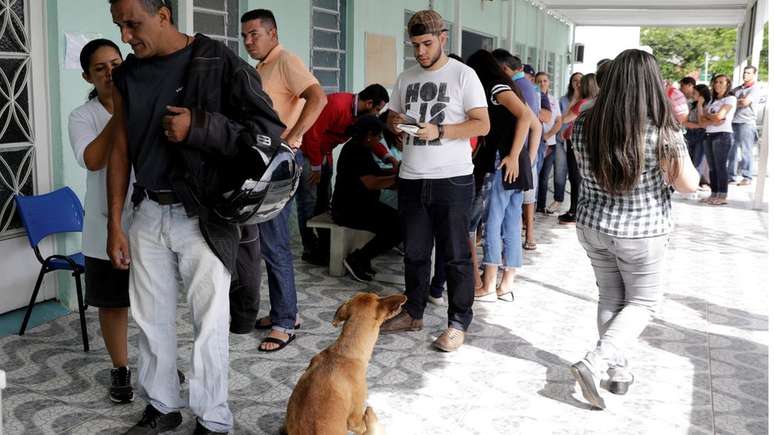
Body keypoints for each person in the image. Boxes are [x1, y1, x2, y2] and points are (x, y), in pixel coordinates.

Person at [107, 0, 285, 433]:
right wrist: (115, 221)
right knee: (150, 319)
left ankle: (213, 418)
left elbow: (269, 135)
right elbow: (120, 148)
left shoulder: (219, 62)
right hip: (147, 211)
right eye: (119, 27)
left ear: (163, 15)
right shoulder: (128, 74)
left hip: (203, 214)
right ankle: (162, 406)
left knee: (209, 323)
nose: (126, 37)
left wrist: (202, 127)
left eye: (133, 24)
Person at [570, 49, 699, 410]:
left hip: (593, 225)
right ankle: (595, 363)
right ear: (650, 84)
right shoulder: (662, 131)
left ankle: (618, 372)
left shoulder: (584, 122)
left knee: (611, 297)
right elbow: (687, 183)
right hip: (640, 232)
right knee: (642, 303)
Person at [379, 10, 490, 352]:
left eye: (427, 43)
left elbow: (482, 124)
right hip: (412, 177)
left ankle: (458, 322)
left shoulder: (463, 75)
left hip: (452, 179)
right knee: (414, 252)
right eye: (415, 45)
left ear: (443, 38)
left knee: (455, 255)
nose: (421, 51)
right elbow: (393, 114)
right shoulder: (406, 77)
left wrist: (440, 131)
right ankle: (413, 311)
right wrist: (394, 122)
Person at [241, 9, 327, 351]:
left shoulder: (285, 61)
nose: (248, 41)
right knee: (265, 242)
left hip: (280, 163)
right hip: (263, 162)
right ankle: (285, 310)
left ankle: (284, 322)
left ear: (273, 34)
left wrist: (293, 137)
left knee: (274, 242)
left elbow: (317, 97)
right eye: (245, 35)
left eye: (254, 34)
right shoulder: (262, 67)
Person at [69, 38, 134, 405]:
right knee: (113, 303)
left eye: (115, 63)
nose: (111, 72)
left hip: (147, 219)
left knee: (154, 299)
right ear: (87, 76)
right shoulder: (83, 116)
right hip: (104, 225)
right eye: (100, 68)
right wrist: (121, 114)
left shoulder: (145, 103)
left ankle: (159, 362)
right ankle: (120, 368)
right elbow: (93, 159)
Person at [466, 49, 540, 302]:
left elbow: (527, 117)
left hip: (503, 162)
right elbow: (533, 123)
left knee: (493, 223)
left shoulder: (495, 88)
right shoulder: (506, 85)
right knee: (509, 222)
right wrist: (522, 159)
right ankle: (506, 284)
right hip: (513, 163)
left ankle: (487, 284)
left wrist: (511, 155)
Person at [298, 84, 390, 266]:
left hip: (325, 153)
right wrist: (316, 168)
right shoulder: (337, 104)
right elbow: (312, 135)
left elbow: (370, 137)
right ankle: (310, 248)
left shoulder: (361, 116)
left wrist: (387, 157)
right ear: (369, 103)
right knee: (308, 202)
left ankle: (324, 247)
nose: (378, 114)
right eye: (378, 109)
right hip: (309, 152)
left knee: (325, 200)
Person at [331, 115, 400, 281]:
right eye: (378, 136)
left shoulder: (361, 148)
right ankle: (358, 259)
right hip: (349, 209)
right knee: (398, 227)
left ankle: (362, 258)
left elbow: (377, 173)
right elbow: (371, 183)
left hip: (361, 205)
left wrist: (399, 171)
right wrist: (399, 179)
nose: (379, 140)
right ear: (369, 135)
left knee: (399, 222)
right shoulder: (356, 151)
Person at [491, 49, 541, 250]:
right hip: (522, 157)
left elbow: (531, 121)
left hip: (513, 157)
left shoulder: (511, 87)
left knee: (497, 219)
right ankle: (510, 267)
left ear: (503, 68)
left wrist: (518, 157)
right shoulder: (525, 85)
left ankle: (492, 272)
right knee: (512, 216)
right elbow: (536, 124)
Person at [558, 73, 599, 224]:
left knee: (575, 177)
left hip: (576, 144)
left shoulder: (581, 102)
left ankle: (574, 211)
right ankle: (579, 210)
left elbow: (565, 118)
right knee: (583, 178)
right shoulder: (597, 102)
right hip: (589, 144)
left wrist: (575, 97)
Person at [699, 74, 737, 205]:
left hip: (722, 135)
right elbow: (702, 121)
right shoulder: (712, 101)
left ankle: (722, 195)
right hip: (709, 135)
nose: (717, 85)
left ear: (727, 85)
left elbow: (719, 116)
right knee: (712, 168)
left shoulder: (730, 99)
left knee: (720, 167)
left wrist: (711, 117)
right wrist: (713, 118)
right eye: (716, 82)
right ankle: (713, 194)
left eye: (721, 82)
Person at [729, 65, 764, 185]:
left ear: (754, 75)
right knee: (731, 150)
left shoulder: (755, 89)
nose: (745, 75)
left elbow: (745, 102)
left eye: (749, 73)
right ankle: (731, 176)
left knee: (746, 151)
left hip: (746, 123)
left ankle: (747, 177)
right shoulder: (737, 89)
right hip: (733, 122)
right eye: (745, 72)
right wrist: (736, 102)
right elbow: (728, 101)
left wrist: (734, 102)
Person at [535, 71, 563, 214]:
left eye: (545, 80)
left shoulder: (553, 100)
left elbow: (559, 121)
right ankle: (530, 205)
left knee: (544, 177)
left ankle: (540, 205)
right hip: (536, 142)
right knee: (535, 175)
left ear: (549, 83)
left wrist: (548, 135)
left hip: (550, 143)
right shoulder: (534, 98)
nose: (542, 83)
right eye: (539, 81)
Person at [684, 84, 712, 187]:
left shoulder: (707, 106)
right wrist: (695, 125)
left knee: (698, 160)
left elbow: (702, 123)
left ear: (702, 95)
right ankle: (689, 182)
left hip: (701, 134)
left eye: (695, 93)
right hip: (689, 134)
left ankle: (695, 184)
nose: (692, 94)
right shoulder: (691, 104)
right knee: (689, 159)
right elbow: (685, 121)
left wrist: (700, 105)